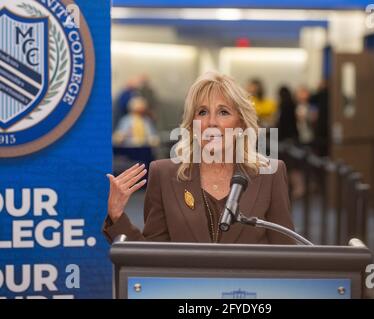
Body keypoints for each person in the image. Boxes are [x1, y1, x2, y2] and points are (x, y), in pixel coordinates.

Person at [103, 71, 295, 245]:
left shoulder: (270, 174)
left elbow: (285, 258)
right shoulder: (164, 174)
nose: (212, 122)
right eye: (202, 112)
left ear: (242, 124)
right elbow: (152, 257)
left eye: (223, 112)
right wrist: (117, 216)